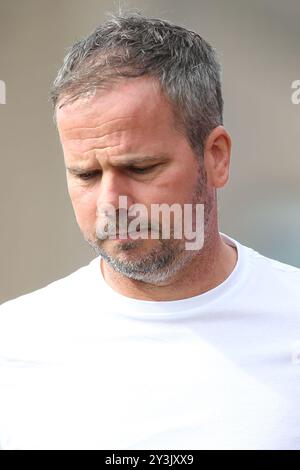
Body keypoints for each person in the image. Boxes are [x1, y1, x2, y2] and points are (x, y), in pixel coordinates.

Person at [0, 12, 299, 451]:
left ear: (215, 156)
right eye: (85, 174)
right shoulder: (14, 344)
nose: (110, 203)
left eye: (140, 168)